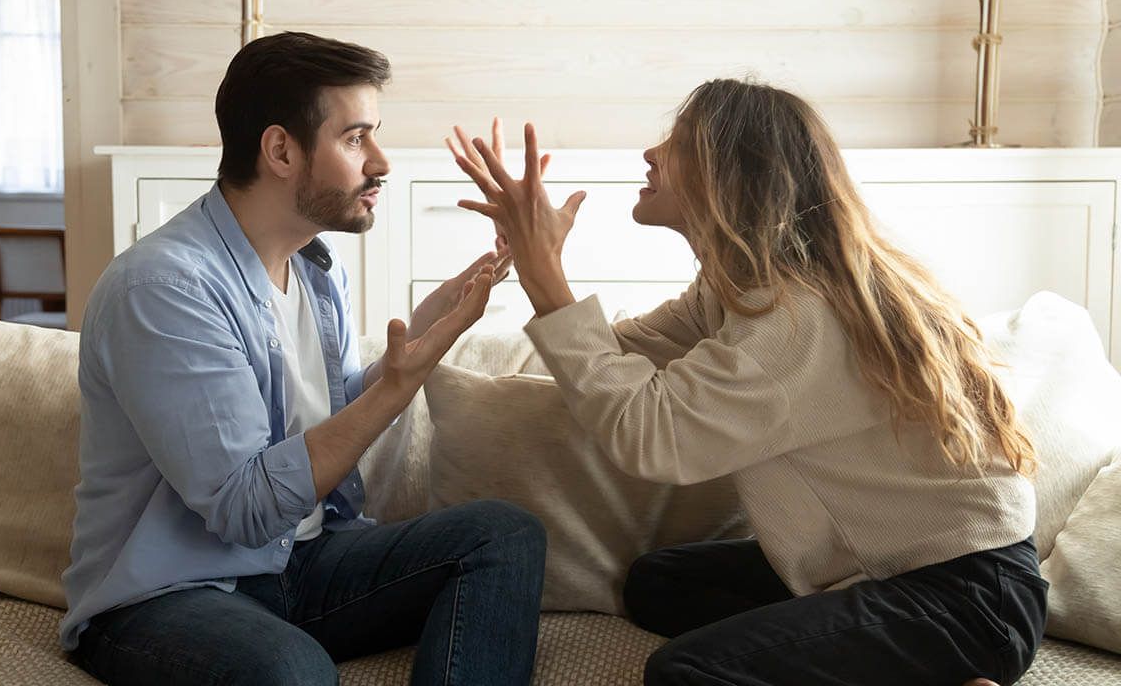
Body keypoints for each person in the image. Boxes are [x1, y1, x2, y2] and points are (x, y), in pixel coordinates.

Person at [446, 79, 1046, 686]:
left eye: (676, 144)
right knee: (657, 585)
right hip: (891, 572)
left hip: (964, 600)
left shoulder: (798, 318)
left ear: (730, 175)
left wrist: (546, 272)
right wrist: (536, 266)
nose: (650, 154)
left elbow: (652, 436)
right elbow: (605, 359)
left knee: (687, 673)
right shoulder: (740, 289)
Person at [60, 32, 546, 686]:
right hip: (171, 593)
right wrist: (393, 392)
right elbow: (243, 509)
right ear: (282, 150)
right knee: (292, 670)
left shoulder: (316, 269)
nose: (382, 162)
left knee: (502, 535)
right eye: (356, 138)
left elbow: (335, 412)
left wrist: (441, 323)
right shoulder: (164, 290)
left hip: (303, 560)